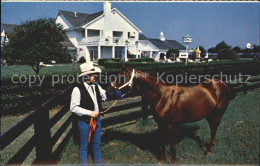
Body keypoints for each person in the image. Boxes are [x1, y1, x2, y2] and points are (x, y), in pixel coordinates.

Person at [70, 62, 106, 165]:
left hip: (97, 121)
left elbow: (104, 96)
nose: (96, 76)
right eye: (93, 74)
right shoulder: (77, 89)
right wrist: (90, 113)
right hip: (84, 122)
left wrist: (116, 92)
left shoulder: (96, 86)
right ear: (86, 76)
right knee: (84, 146)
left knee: (96, 144)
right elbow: (74, 108)